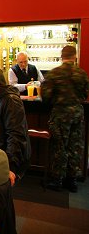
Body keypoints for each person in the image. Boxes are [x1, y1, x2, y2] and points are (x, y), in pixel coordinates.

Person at [41, 45, 89, 192]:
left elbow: (46, 96)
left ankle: (57, 180)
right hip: (77, 113)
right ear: (75, 56)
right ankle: (72, 180)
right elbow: (86, 94)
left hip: (60, 114)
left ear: (62, 57)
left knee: (59, 146)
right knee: (75, 146)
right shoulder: (81, 73)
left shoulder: (55, 73)